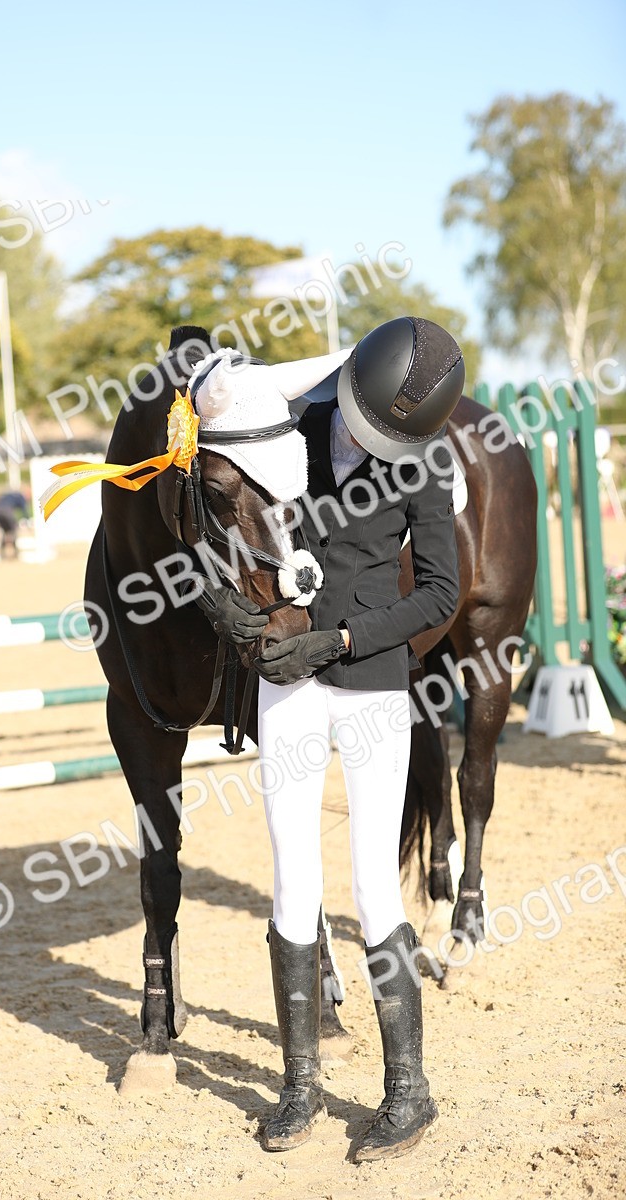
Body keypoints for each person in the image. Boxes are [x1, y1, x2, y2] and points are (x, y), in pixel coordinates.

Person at [190, 317, 464, 1163]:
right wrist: (222, 604)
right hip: (287, 682)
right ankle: (301, 1084)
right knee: (289, 878)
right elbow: (223, 520)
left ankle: (408, 1092)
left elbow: (441, 594)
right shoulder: (292, 429)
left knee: (373, 885)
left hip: (372, 682)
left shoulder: (421, 458)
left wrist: (343, 642)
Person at [0, 489, 30, 559]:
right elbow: (24, 510)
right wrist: (28, 521)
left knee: (4, 532)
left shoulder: (10, 494)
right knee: (14, 530)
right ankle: (15, 553)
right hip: (7, 511)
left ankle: (2, 553)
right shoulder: (20, 497)